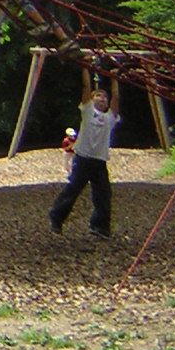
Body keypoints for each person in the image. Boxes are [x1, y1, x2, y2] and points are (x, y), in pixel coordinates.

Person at [50, 70, 123, 238]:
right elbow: (86, 86)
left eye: (104, 97)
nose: (102, 98)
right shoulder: (88, 110)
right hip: (83, 158)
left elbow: (116, 98)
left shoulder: (110, 118)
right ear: (92, 98)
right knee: (72, 190)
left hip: (99, 161)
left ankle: (100, 226)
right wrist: (84, 68)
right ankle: (56, 218)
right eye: (98, 95)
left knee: (103, 194)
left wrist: (114, 79)